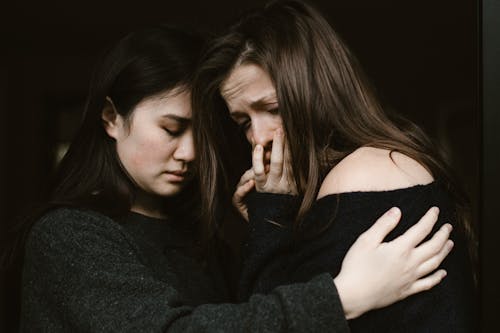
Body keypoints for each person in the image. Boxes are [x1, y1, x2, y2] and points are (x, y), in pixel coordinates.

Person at [16, 25, 453, 332]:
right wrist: (341, 297)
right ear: (112, 118)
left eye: (201, 135)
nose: (189, 154)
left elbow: (256, 313)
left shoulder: (198, 238)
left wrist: (269, 222)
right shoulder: (67, 236)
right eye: (171, 128)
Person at [192, 0, 477, 331]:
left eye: (272, 108)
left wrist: (269, 220)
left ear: (317, 91)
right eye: (243, 122)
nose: (258, 137)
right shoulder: (384, 162)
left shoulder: (362, 176)